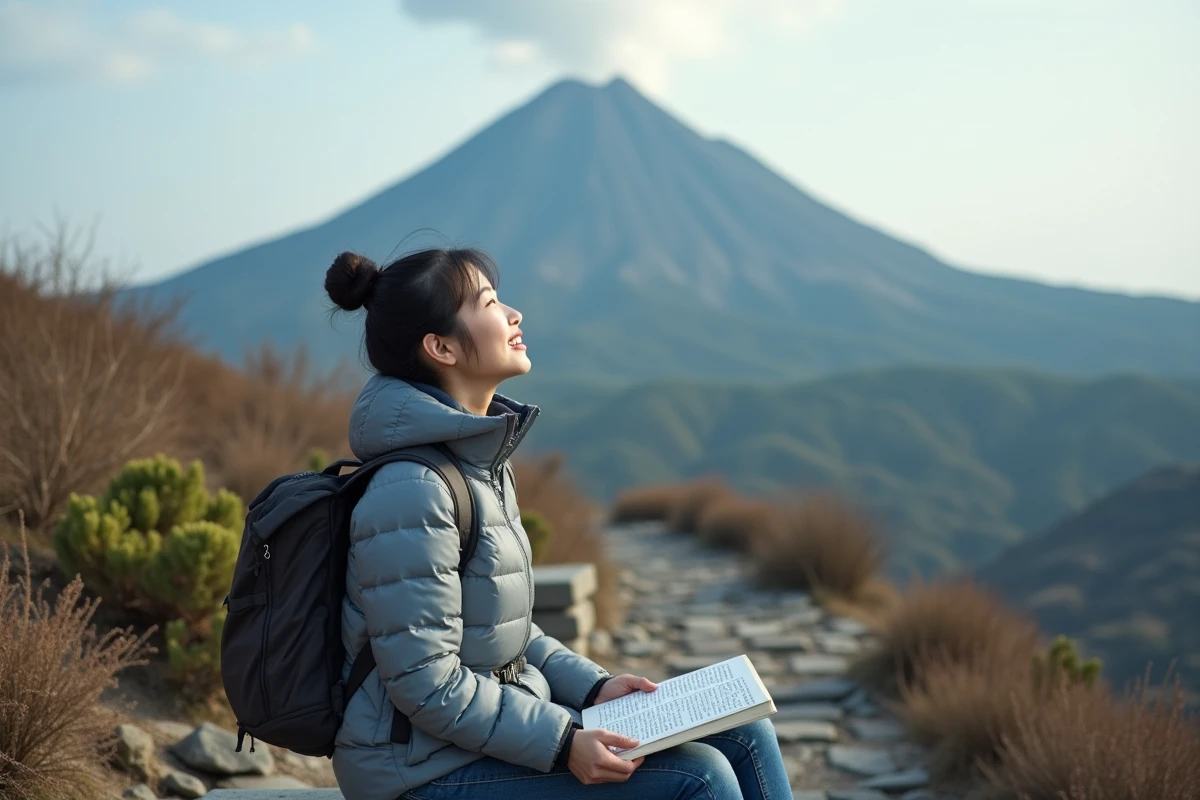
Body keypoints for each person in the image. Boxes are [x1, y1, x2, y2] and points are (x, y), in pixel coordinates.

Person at [325, 246, 792, 800]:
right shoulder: (413, 489)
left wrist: (595, 690)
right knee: (700, 777)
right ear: (441, 347)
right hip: (417, 771)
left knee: (745, 731)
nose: (513, 314)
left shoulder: (476, 465)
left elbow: (508, 636)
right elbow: (426, 683)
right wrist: (565, 741)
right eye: (489, 304)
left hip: (473, 740)